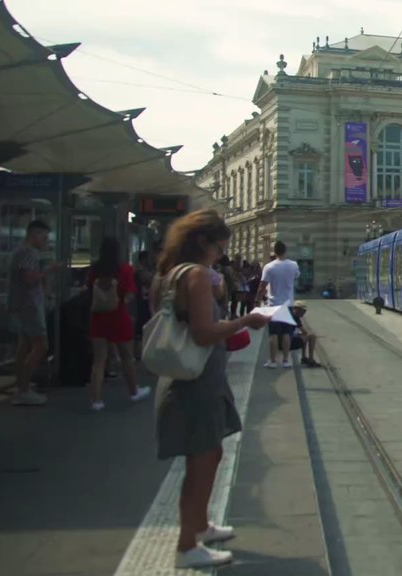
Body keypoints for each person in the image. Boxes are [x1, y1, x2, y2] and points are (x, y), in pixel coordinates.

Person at [151, 210, 270, 569]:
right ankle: (188, 546)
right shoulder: (198, 275)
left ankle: (201, 526)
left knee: (210, 453)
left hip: (190, 378)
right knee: (201, 461)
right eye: (220, 246)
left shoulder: (168, 275)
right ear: (203, 242)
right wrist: (246, 320)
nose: (222, 253)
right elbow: (204, 332)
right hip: (197, 382)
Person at [87, 237, 151, 411]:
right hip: (119, 316)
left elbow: (88, 289)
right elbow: (130, 294)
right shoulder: (125, 269)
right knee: (127, 358)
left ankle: (97, 400)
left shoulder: (94, 269)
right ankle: (133, 391)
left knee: (99, 361)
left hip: (98, 317)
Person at [9, 220, 59, 406]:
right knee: (41, 345)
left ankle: (21, 385)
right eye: (44, 236)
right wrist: (49, 270)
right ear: (34, 234)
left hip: (22, 304)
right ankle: (23, 390)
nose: (45, 240)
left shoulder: (21, 251)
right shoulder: (28, 252)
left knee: (24, 346)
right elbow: (29, 279)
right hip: (29, 305)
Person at [258, 242, 300, 369]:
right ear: (285, 250)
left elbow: (262, 286)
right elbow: (297, 276)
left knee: (273, 334)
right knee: (287, 333)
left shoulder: (269, 267)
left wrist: (257, 300)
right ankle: (286, 360)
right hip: (288, 304)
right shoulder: (293, 265)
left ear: (274, 251)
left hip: (273, 304)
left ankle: (273, 360)